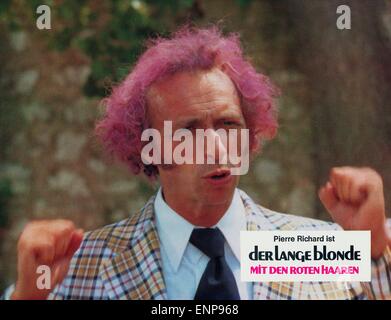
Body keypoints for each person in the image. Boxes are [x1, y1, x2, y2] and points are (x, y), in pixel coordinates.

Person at [3, 26, 391, 300]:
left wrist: (373, 247)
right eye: (188, 132)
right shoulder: (85, 265)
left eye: (228, 125)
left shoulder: (298, 248)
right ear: (148, 148)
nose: (217, 148)